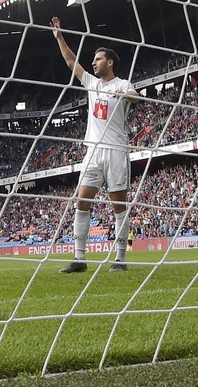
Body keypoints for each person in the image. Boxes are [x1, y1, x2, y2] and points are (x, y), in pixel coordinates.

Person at [51, 16, 138, 273]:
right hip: (93, 150)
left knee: (118, 205)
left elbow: (135, 96)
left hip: (116, 151)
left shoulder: (122, 84)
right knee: (81, 200)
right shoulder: (91, 83)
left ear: (109, 62)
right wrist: (59, 37)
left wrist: (125, 94)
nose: (93, 62)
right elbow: (71, 62)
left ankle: (121, 259)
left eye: (98, 59)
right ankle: (80, 258)